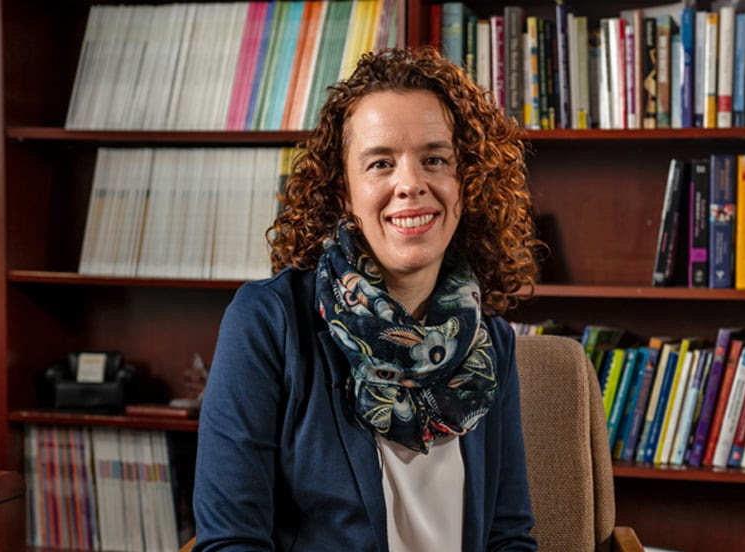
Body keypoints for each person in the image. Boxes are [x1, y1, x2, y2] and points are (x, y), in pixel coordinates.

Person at [193, 47, 542, 551]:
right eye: (381, 163)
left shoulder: (492, 344)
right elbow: (232, 542)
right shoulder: (267, 323)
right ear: (343, 193)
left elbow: (509, 537)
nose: (411, 184)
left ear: (466, 184)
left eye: (435, 159)